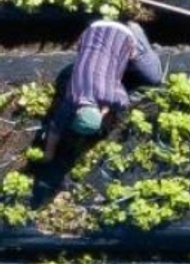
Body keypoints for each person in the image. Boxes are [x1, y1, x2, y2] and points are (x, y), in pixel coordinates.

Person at [42, 19, 164, 162]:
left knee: (154, 78)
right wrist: (48, 154)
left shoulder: (110, 98)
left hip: (121, 33)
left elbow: (123, 99)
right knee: (119, 69)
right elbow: (55, 127)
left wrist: (106, 111)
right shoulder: (72, 97)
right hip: (90, 31)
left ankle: (136, 32)